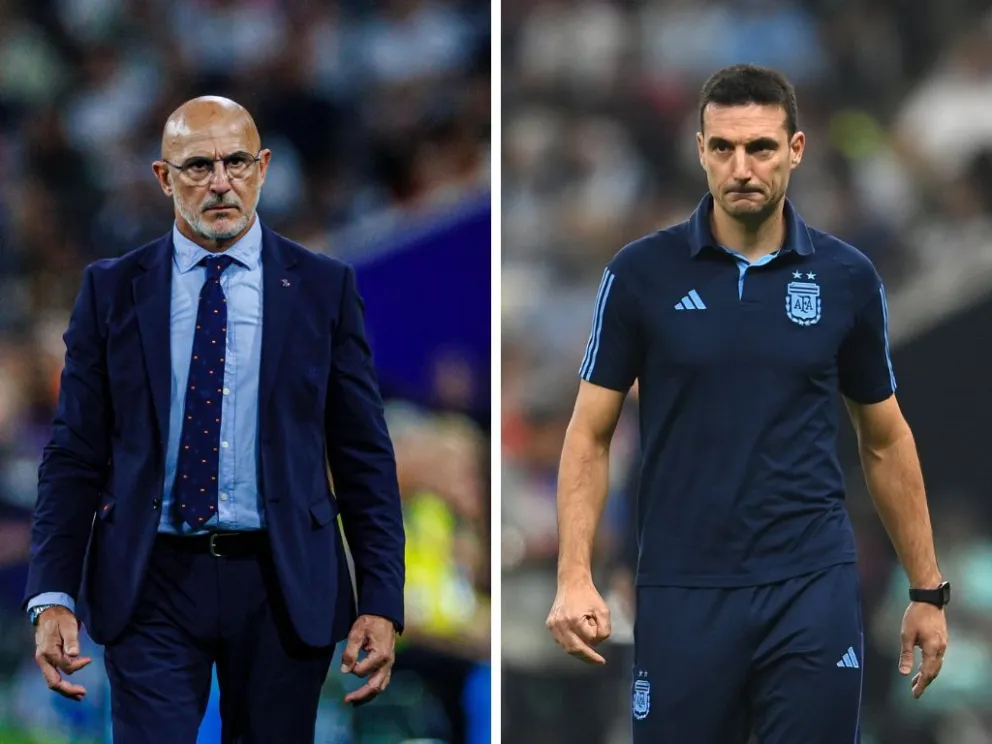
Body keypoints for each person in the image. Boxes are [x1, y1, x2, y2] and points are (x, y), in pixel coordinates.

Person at [545, 64, 950, 744]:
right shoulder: (640, 275)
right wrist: (573, 575)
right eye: (723, 147)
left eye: (760, 147)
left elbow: (884, 439)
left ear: (794, 150)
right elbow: (589, 435)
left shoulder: (847, 278)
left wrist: (927, 591)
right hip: (682, 588)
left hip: (809, 584)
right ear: (700, 150)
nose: (741, 166)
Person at [23, 96, 406, 744]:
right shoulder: (112, 290)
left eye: (235, 162)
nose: (221, 182)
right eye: (198, 166)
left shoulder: (322, 287)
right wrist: (53, 593)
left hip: (282, 581)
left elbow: (363, 453)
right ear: (162, 178)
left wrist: (381, 599)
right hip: (152, 579)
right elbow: (74, 453)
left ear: (263, 167)